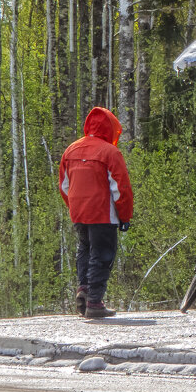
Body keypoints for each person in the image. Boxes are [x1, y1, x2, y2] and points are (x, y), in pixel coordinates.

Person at [58, 107, 134, 319]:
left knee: (85, 249)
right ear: (110, 128)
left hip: (79, 212)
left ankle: (84, 289)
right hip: (103, 213)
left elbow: (64, 185)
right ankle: (95, 302)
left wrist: (74, 205)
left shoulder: (70, 150)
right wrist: (125, 217)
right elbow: (121, 189)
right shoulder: (110, 152)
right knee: (102, 254)